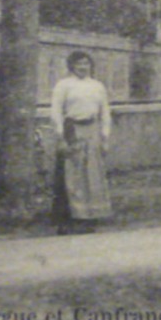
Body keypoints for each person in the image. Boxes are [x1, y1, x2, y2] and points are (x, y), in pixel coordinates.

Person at [50, 51, 113, 233]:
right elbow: (56, 112)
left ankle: (89, 217)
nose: (83, 67)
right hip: (72, 130)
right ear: (71, 66)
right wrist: (60, 137)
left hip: (92, 130)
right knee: (72, 175)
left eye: (86, 63)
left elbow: (105, 112)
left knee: (92, 174)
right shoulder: (64, 85)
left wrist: (105, 137)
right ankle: (68, 220)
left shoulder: (97, 86)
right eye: (79, 64)